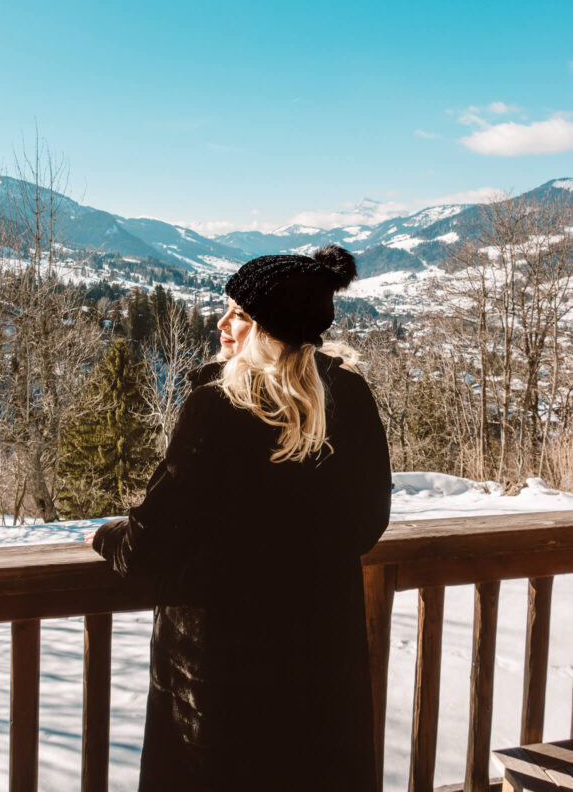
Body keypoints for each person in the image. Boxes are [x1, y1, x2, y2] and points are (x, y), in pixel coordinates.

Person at [86, 245, 392, 792]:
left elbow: (147, 545)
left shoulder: (218, 407)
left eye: (242, 316)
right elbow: (367, 524)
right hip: (319, 670)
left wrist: (107, 535)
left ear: (274, 329)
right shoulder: (346, 395)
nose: (223, 324)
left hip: (222, 683)